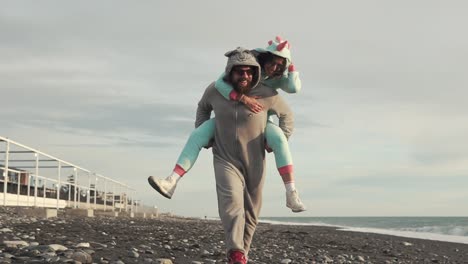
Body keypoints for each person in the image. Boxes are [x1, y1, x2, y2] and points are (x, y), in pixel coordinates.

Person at [148, 36, 305, 212]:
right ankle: (171, 181)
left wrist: (292, 69)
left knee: (279, 137)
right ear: (265, 57)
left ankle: (291, 192)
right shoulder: (250, 65)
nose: (274, 67)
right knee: (197, 135)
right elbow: (220, 84)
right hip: (228, 117)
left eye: (279, 64)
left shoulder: (276, 81)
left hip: (259, 120)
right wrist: (243, 98)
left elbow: (293, 89)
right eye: (272, 61)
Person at [198, 47, 294, 263]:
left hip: (255, 159)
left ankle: (241, 255)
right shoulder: (215, 90)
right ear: (230, 72)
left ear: (255, 72)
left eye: (249, 72)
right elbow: (203, 108)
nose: (245, 76)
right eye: (239, 71)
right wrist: (203, 132)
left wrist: (278, 140)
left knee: (251, 212)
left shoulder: (267, 93)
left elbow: (287, 115)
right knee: (231, 202)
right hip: (225, 158)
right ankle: (235, 249)